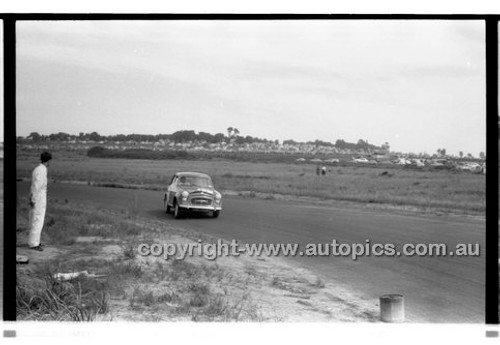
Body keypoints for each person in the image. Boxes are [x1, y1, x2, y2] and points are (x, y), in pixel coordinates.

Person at [28, 151, 52, 251]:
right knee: (38, 219)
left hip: (37, 196)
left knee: (36, 219)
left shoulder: (38, 169)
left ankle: (34, 241)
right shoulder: (42, 170)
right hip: (39, 197)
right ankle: (34, 243)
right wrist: (33, 199)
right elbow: (37, 186)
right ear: (49, 160)